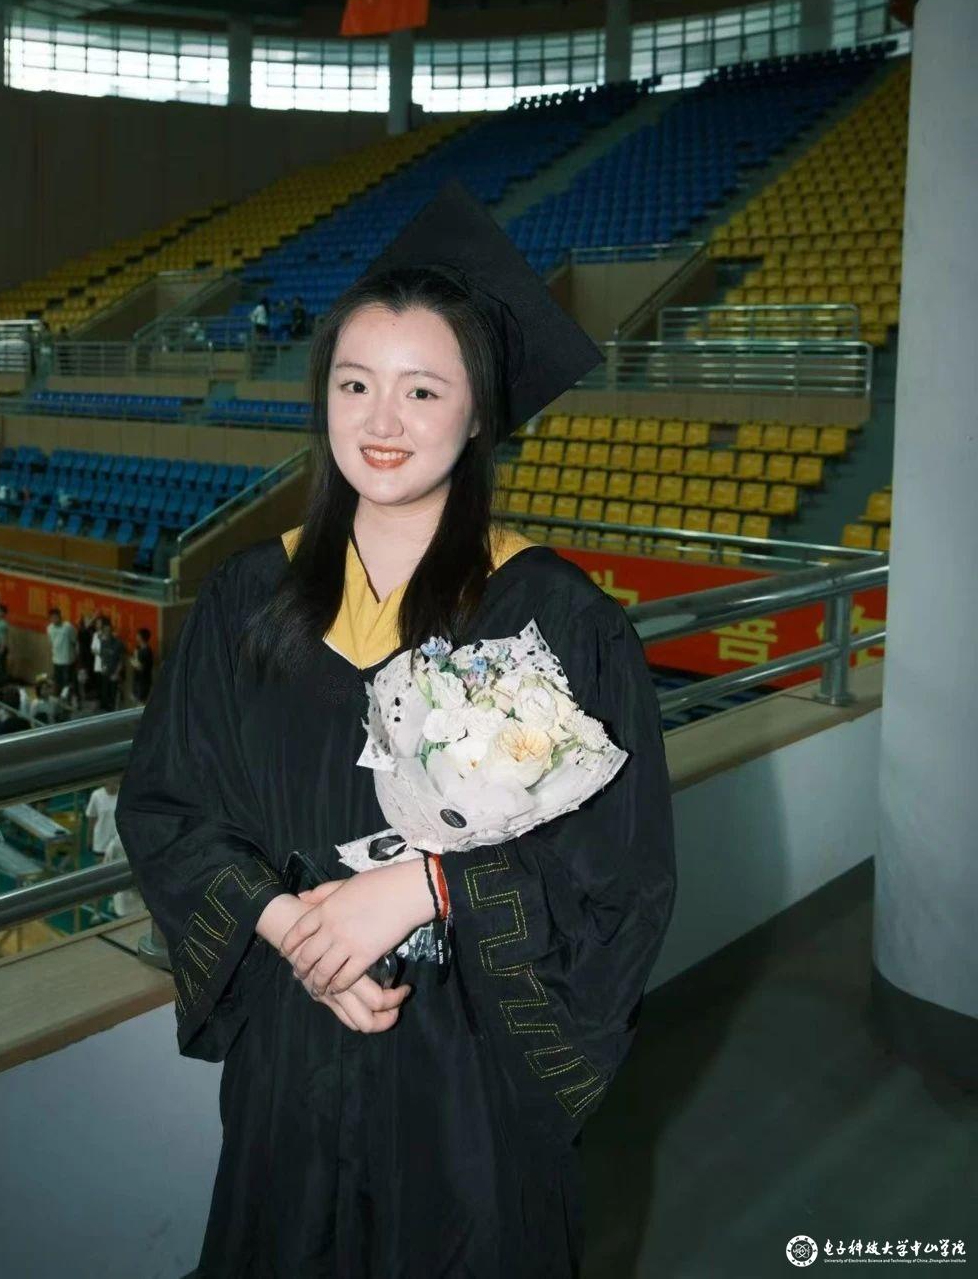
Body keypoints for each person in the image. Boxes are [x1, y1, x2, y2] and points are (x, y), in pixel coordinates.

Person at [114, 181, 677, 1279]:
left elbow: (622, 876)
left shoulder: (555, 618)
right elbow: (170, 803)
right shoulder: (248, 600)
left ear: (478, 416)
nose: (381, 422)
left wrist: (430, 888)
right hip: (294, 1059)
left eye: (423, 390)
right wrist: (291, 928)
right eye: (355, 383)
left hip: (470, 1079)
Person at [46, 606, 78, 693]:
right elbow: (51, 642)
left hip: (68, 660)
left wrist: (76, 655)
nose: (54, 619)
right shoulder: (49, 628)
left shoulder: (68, 627)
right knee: (57, 682)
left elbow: (75, 640)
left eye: (56, 617)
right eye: (52, 617)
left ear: (60, 616)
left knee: (67, 683)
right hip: (56, 660)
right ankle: (58, 696)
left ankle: (68, 697)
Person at [86, 778, 120, 858]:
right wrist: (89, 839)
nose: (113, 782)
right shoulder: (96, 795)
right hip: (101, 842)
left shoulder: (125, 793)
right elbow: (91, 819)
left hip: (119, 843)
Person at [97, 620, 124, 712]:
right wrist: (103, 666)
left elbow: (121, 661)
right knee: (104, 692)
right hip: (105, 672)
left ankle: (113, 711)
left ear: (112, 631)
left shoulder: (118, 643)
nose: (107, 632)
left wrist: (116, 673)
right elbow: (102, 656)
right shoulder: (103, 642)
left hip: (114, 673)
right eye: (105, 630)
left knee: (113, 695)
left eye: (109, 630)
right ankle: (104, 708)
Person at [129, 627, 154, 705]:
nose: (136, 636)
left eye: (138, 635)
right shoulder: (138, 648)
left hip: (144, 680)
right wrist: (133, 661)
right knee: (134, 698)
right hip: (137, 678)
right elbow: (134, 659)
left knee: (141, 702)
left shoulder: (147, 651)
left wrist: (134, 663)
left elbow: (142, 667)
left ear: (142, 637)